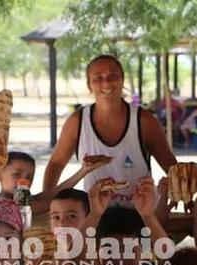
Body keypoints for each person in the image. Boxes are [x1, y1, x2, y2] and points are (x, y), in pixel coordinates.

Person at [43, 54, 177, 205]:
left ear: (122, 80)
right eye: (98, 78)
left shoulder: (145, 121)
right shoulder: (77, 121)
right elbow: (56, 164)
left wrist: (184, 196)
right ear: (89, 85)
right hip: (94, 217)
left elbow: (172, 168)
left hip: (141, 216)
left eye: (112, 76)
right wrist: (48, 203)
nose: (106, 82)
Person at [46, 189, 90, 265]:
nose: (62, 223)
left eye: (71, 216)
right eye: (56, 217)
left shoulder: (108, 259)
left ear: (90, 219)